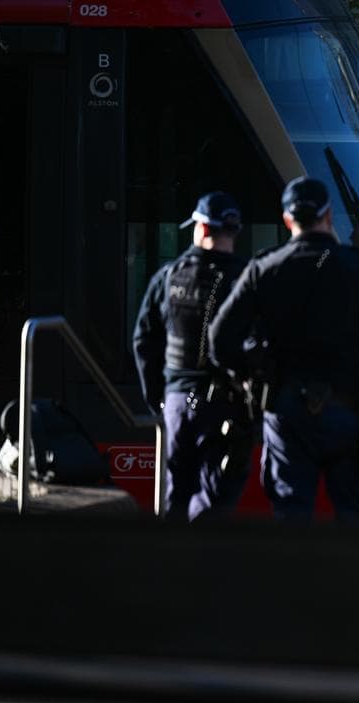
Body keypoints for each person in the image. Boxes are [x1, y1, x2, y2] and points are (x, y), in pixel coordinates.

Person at [207, 176, 359, 524]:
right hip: (349, 410)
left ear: (287, 220)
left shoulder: (263, 268)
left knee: (290, 517)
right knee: (357, 520)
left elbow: (220, 339)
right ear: (328, 216)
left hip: (285, 408)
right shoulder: (357, 267)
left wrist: (251, 378)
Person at [133, 191, 251, 522]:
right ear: (234, 232)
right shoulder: (247, 281)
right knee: (218, 495)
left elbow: (143, 340)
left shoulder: (168, 277)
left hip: (177, 403)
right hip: (226, 405)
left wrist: (157, 396)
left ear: (200, 228)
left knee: (174, 492)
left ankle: (171, 563)